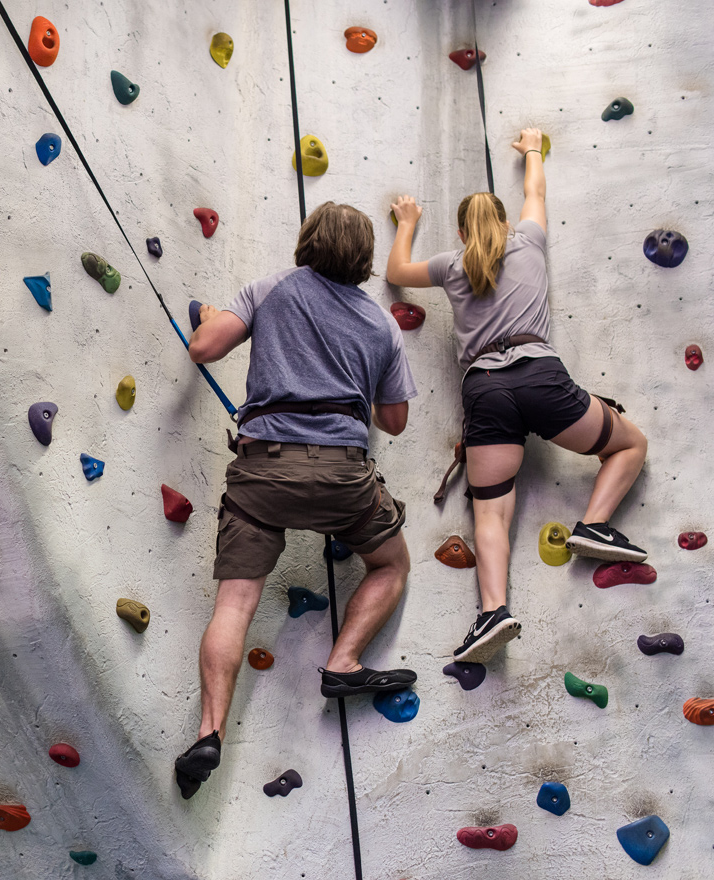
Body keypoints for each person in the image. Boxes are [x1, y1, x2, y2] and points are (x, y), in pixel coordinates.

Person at [174, 201, 419, 800]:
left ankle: (209, 733)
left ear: (306, 240)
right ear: (363, 259)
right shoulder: (381, 323)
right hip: (342, 479)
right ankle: (343, 661)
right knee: (391, 564)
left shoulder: (270, 287)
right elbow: (396, 420)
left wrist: (210, 316)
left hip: (262, 476)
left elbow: (204, 347)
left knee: (234, 604)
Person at [385, 127, 648, 664]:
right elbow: (537, 194)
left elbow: (394, 273)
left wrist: (408, 223)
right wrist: (531, 148)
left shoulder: (451, 265)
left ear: (461, 232)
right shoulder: (528, 241)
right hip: (540, 376)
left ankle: (493, 613)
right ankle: (593, 526)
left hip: (484, 390)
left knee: (490, 512)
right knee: (628, 445)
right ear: (504, 223)